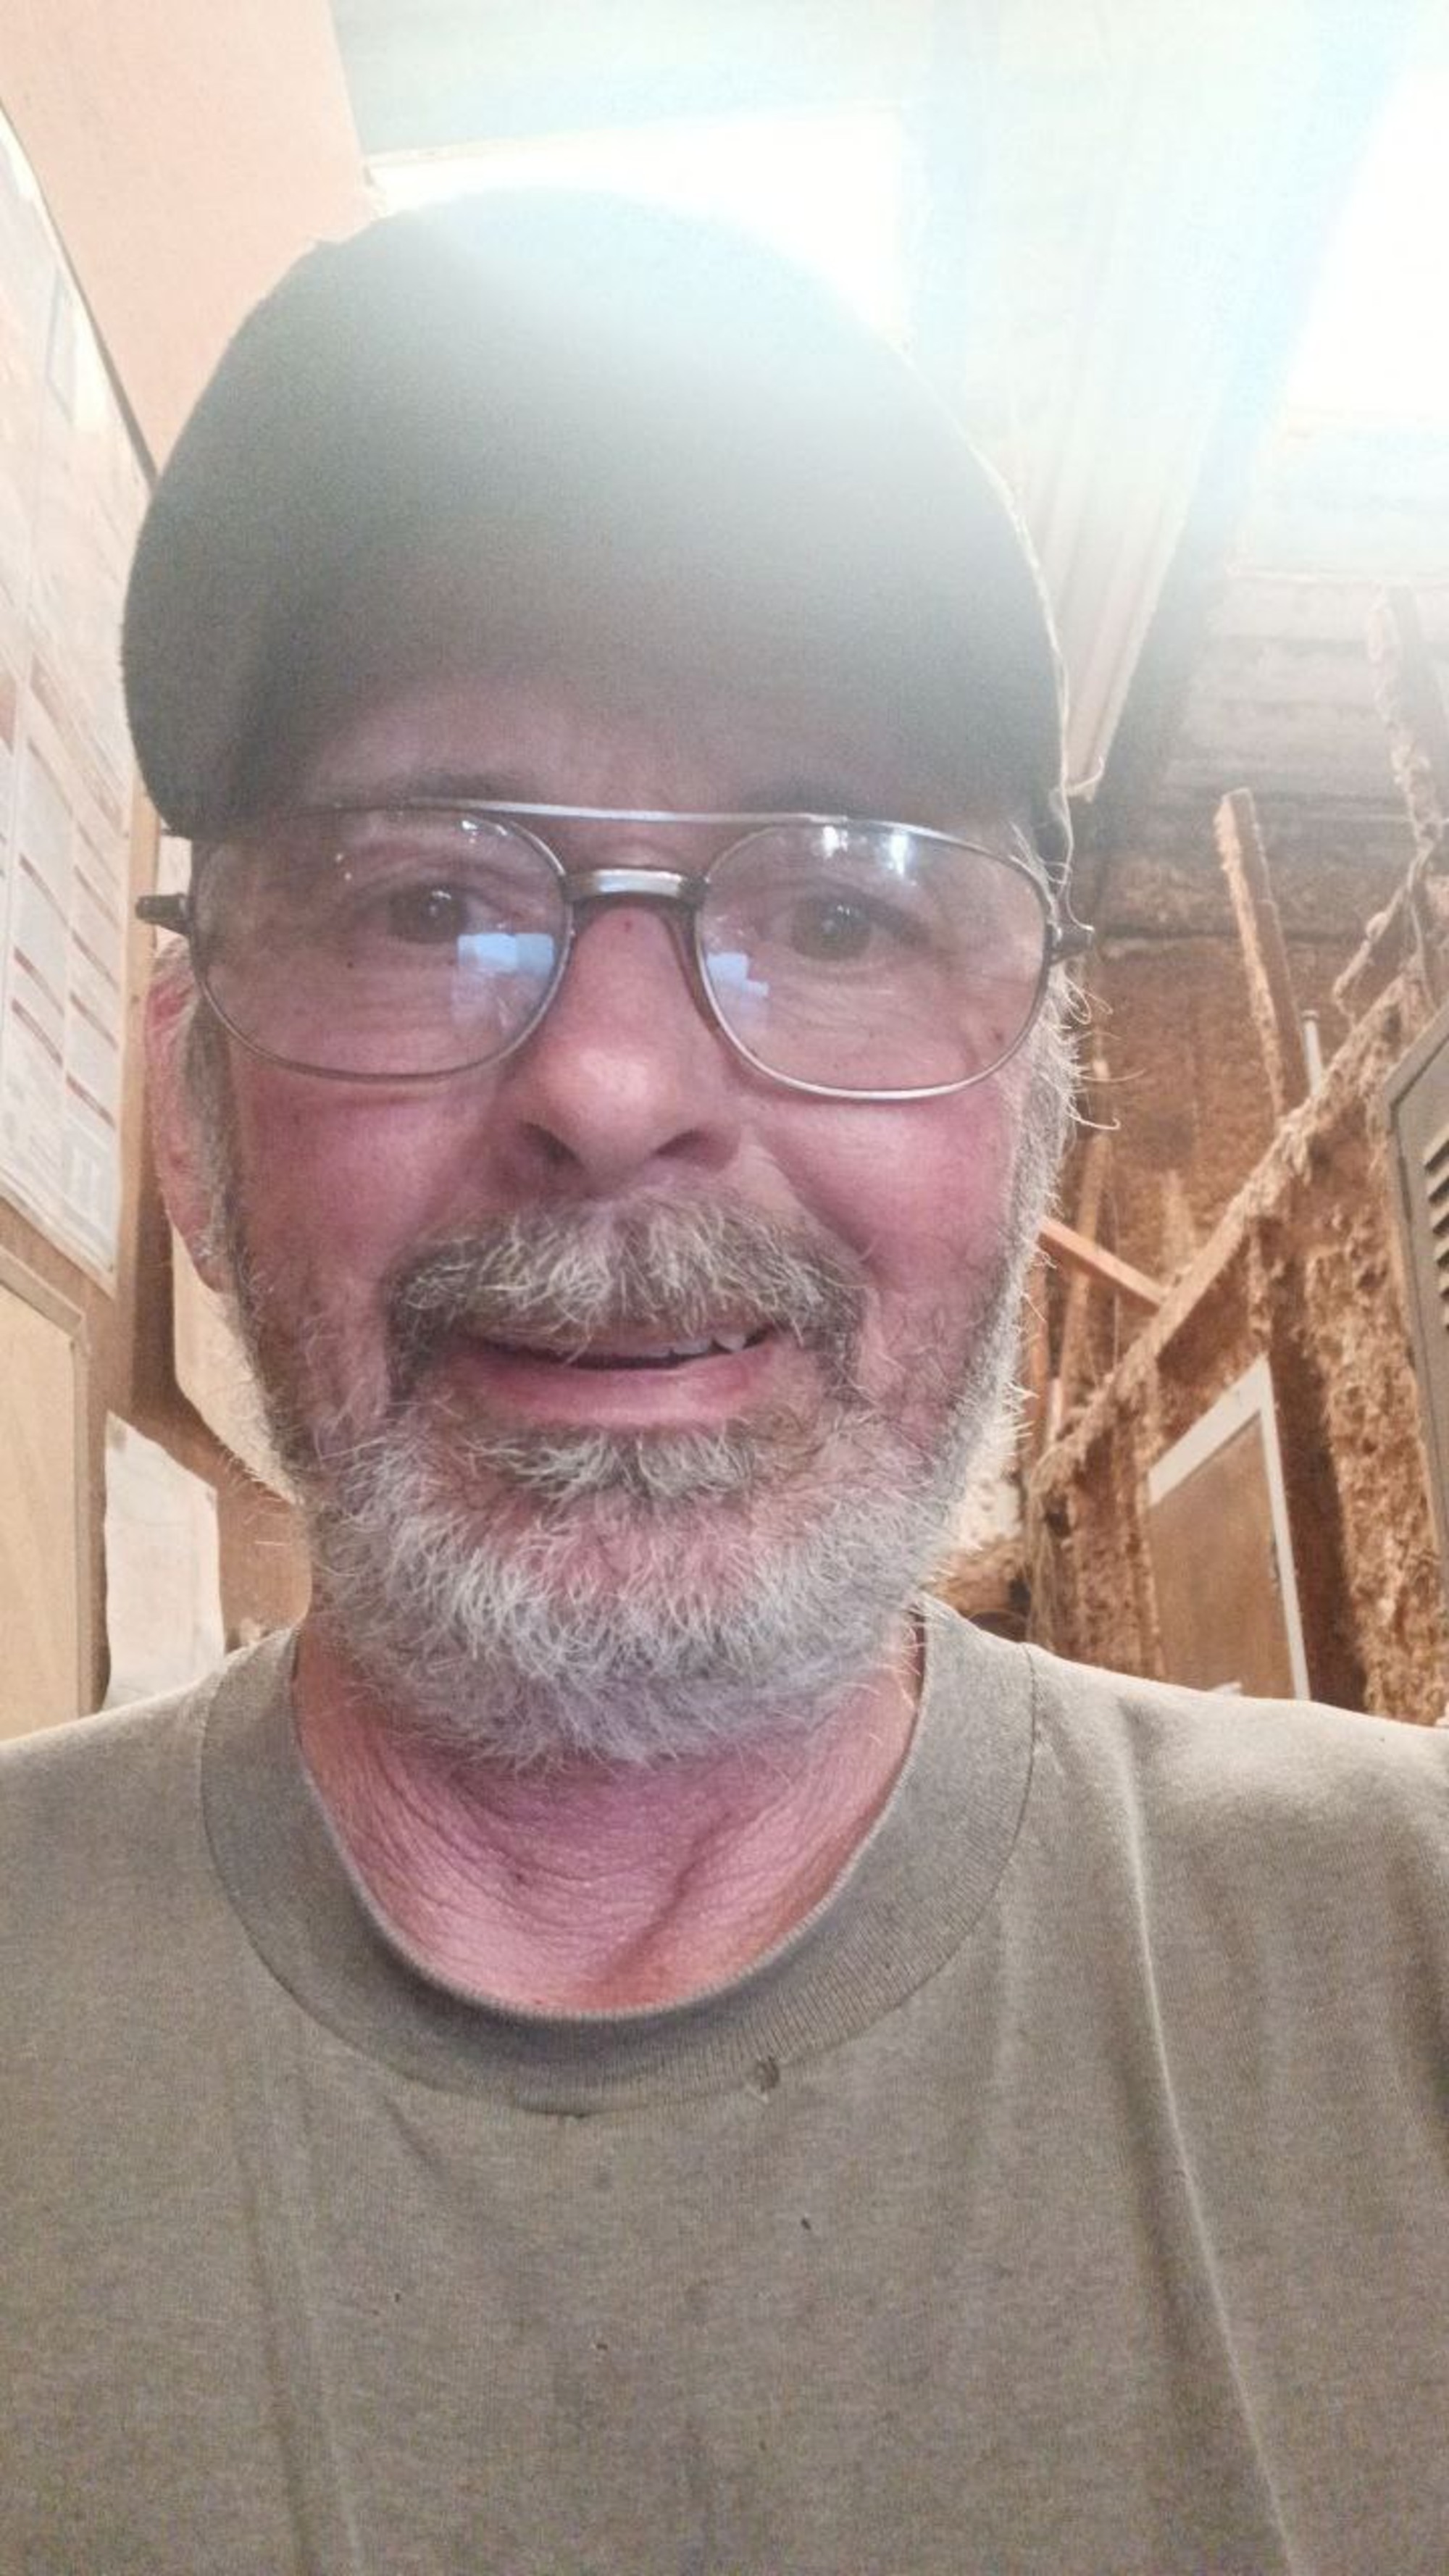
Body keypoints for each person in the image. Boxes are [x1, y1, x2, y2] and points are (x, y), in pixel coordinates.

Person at [3, 192, 1446, 2576]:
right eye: (425, 899)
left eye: (839, 909)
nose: (611, 1083)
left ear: (1041, 1107)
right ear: (192, 1110)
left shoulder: (1403, 1973)